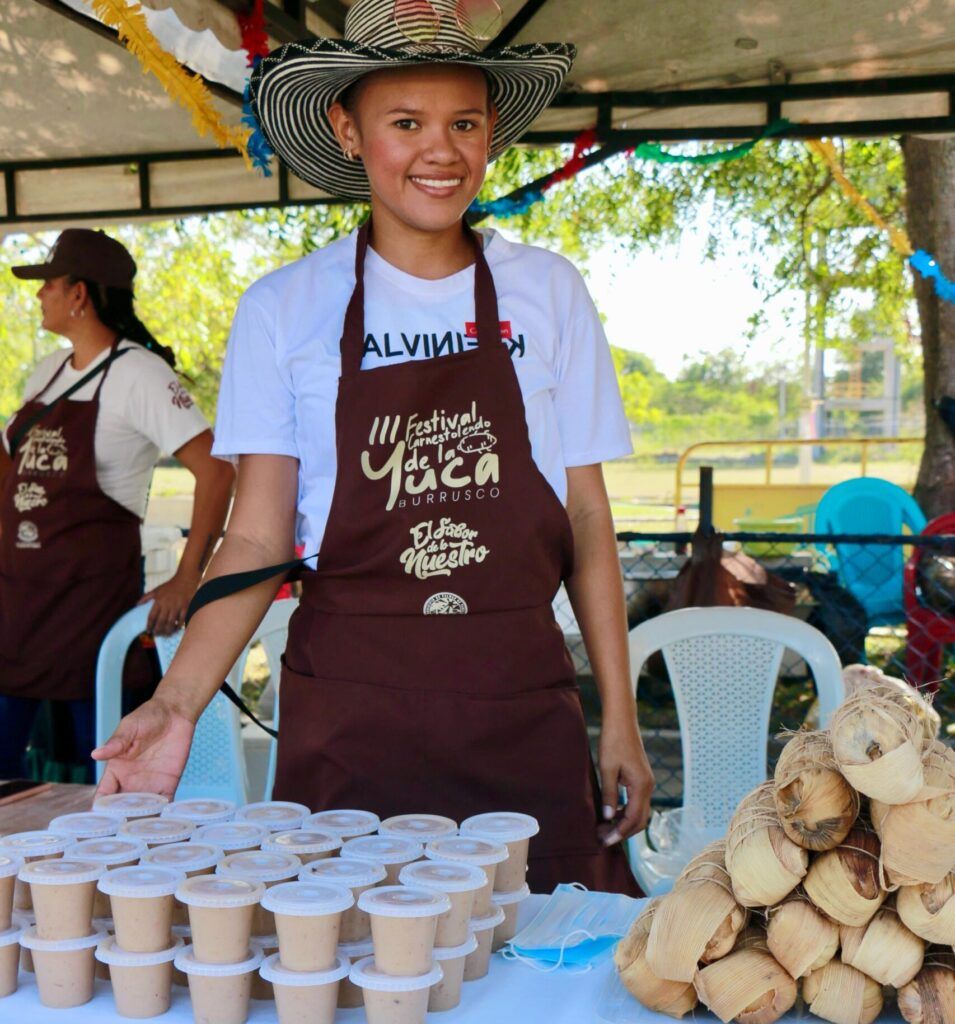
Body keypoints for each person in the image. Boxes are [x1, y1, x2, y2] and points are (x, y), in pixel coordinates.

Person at [93, 0, 654, 893]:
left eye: (464, 123)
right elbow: (255, 537)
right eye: (407, 123)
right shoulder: (284, 309)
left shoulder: (546, 291)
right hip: (349, 723)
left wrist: (616, 716)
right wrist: (174, 704)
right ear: (346, 130)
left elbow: (586, 515)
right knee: (349, 962)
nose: (442, 150)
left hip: (517, 708)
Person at [0, 228, 234, 780]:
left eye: (48, 285)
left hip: (87, 613)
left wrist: (186, 577)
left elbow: (217, 469)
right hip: (20, 607)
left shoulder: (139, 374)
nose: (39, 297)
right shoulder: (48, 372)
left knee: (101, 767)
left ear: (79, 294)